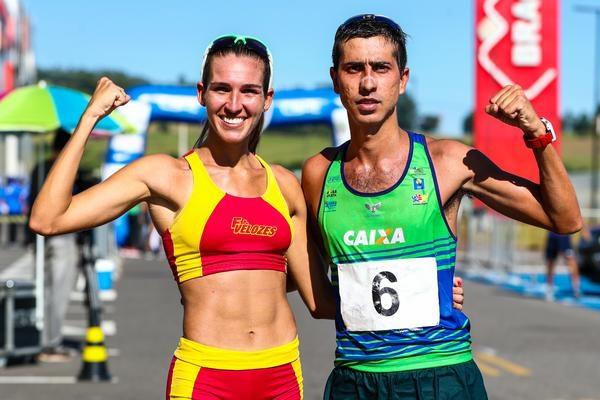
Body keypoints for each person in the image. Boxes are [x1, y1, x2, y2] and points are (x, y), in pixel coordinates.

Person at [29, 35, 465, 398]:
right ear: (201, 93)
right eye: (222, 89)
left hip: (282, 375)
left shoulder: (284, 185)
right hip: (206, 377)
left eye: (249, 91)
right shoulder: (166, 176)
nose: (234, 104)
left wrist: (424, 293)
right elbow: (48, 219)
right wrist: (89, 118)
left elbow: (321, 299)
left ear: (266, 99)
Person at [301, 14, 582, 399]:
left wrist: (536, 133)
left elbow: (565, 218)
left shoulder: (448, 161)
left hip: (439, 378)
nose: (368, 83)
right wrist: (422, 291)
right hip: (355, 379)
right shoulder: (319, 173)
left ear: (402, 79)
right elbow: (319, 294)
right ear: (336, 79)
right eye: (354, 69)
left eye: (381, 68)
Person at [27, 129, 79, 361]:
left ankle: (40, 338)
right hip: (62, 236)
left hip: (39, 238)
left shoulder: (39, 168)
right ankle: (50, 343)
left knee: (43, 289)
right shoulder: (65, 171)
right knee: (58, 290)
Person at [545, 231, 581, 301]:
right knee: (550, 262)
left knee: (571, 261)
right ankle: (549, 288)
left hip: (564, 236)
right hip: (552, 236)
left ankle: (576, 288)